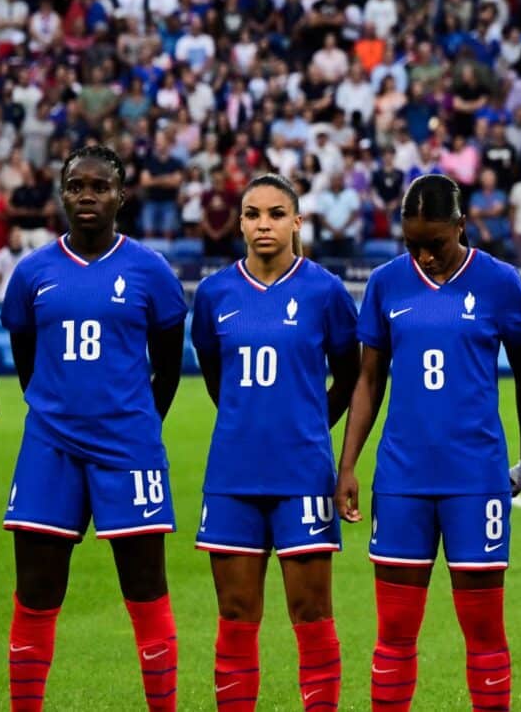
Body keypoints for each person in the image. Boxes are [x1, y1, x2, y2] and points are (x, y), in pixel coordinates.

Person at [335, 174, 521, 712]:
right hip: (402, 479)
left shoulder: (499, 282)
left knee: (483, 630)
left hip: (476, 478)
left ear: (461, 226)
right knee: (396, 630)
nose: (424, 256)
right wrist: (348, 464)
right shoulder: (386, 283)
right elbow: (369, 380)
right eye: (412, 244)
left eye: (436, 243)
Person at [0, 143, 190, 712]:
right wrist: (60, 411)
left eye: (100, 186)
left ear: (121, 196)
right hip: (50, 448)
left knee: (146, 591)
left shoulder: (150, 271)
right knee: (35, 593)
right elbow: (26, 359)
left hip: (128, 450)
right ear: (61, 194)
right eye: (77, 185)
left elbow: (169, 366)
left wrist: (133, 425)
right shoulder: (32, 271)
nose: (87, 196)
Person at [191, 173, 362, 712]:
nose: (263, 224)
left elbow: (351, 375)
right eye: (252, 214)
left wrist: (311, 423)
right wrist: (250, 419)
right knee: (237, 614)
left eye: (275, 214)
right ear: (239, 222)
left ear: (296, 222)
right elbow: (217, 376)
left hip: (303, 474)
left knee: (311, 613)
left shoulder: (325, 291)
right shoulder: (215, 293)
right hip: (233, 475)